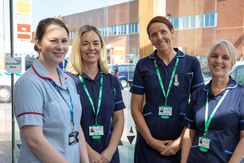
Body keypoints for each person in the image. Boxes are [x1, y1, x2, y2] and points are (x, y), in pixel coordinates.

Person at [130, 16, 204, 162]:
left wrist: (180, 141)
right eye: (154, 35)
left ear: (172, 32)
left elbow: (198, 107)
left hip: (180, 142)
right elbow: (135, 108)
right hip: (148, 143)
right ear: (150, 39)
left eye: (163, 32)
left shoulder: (191, 63)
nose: (159, 37)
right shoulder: (143, 65)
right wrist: (150, 140)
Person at [14, 18, 89, 163]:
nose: (60, 47)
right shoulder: (29, 83)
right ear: (38, 43)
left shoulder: (69, 82)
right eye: (53, 41)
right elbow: (35, 140)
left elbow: (74, 122)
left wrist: (85, 160)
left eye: (64, 41)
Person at [181, 40, 244, 163]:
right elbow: (188, 134)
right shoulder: (198, 94)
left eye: (225, 57)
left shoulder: (242, 94)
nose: (218, 61)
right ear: (208, 60)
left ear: (232, 63)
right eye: (214, 56)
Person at [66, 25, 125, 163]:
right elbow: (68, 123)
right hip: (80, 155)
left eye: (95, 43)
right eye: (85, 44)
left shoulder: (111, 81)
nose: (91, 48)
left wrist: (110, 151)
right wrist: (89, 152)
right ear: (77, 48)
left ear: (102, 47)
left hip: (108, 156)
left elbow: (119, 120)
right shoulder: (68, 81)